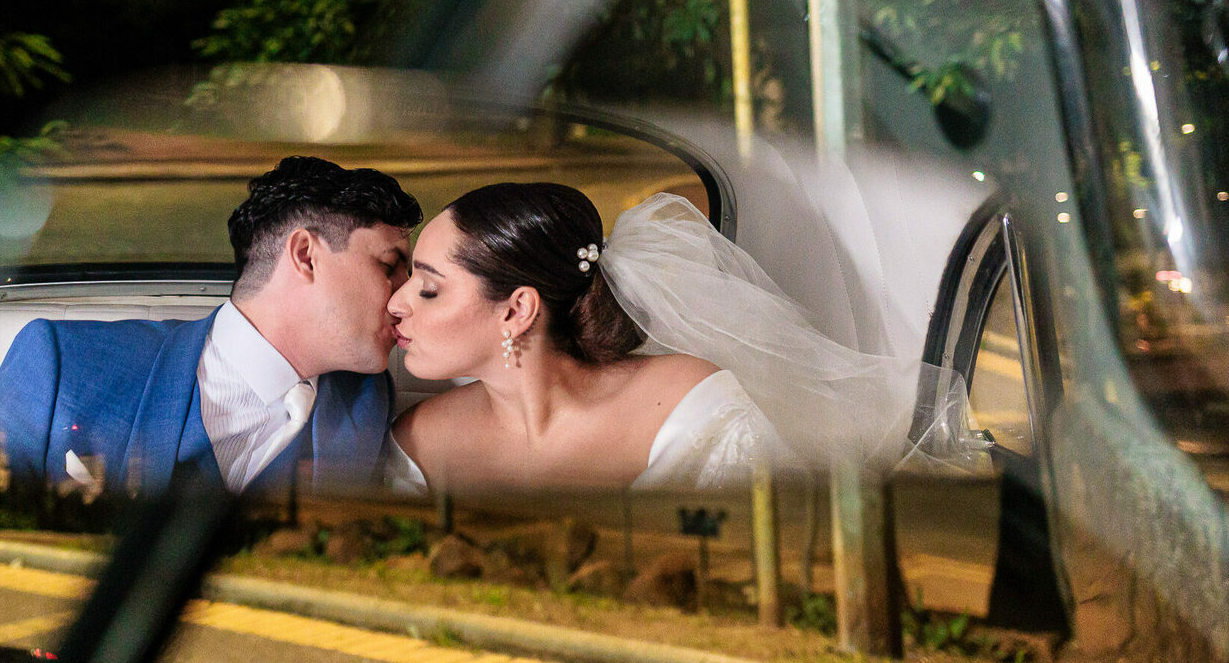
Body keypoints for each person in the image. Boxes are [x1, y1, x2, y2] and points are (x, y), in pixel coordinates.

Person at [382, 184, 985, 494]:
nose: (396, 303)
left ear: (517, 310)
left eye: (428, 289)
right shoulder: (415, 445)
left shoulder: (694, 406)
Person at [0, 156, 422, 497]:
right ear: (305, 256)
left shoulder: (368, 398)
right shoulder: (61, 362)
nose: (404, 297)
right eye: (389, 267)